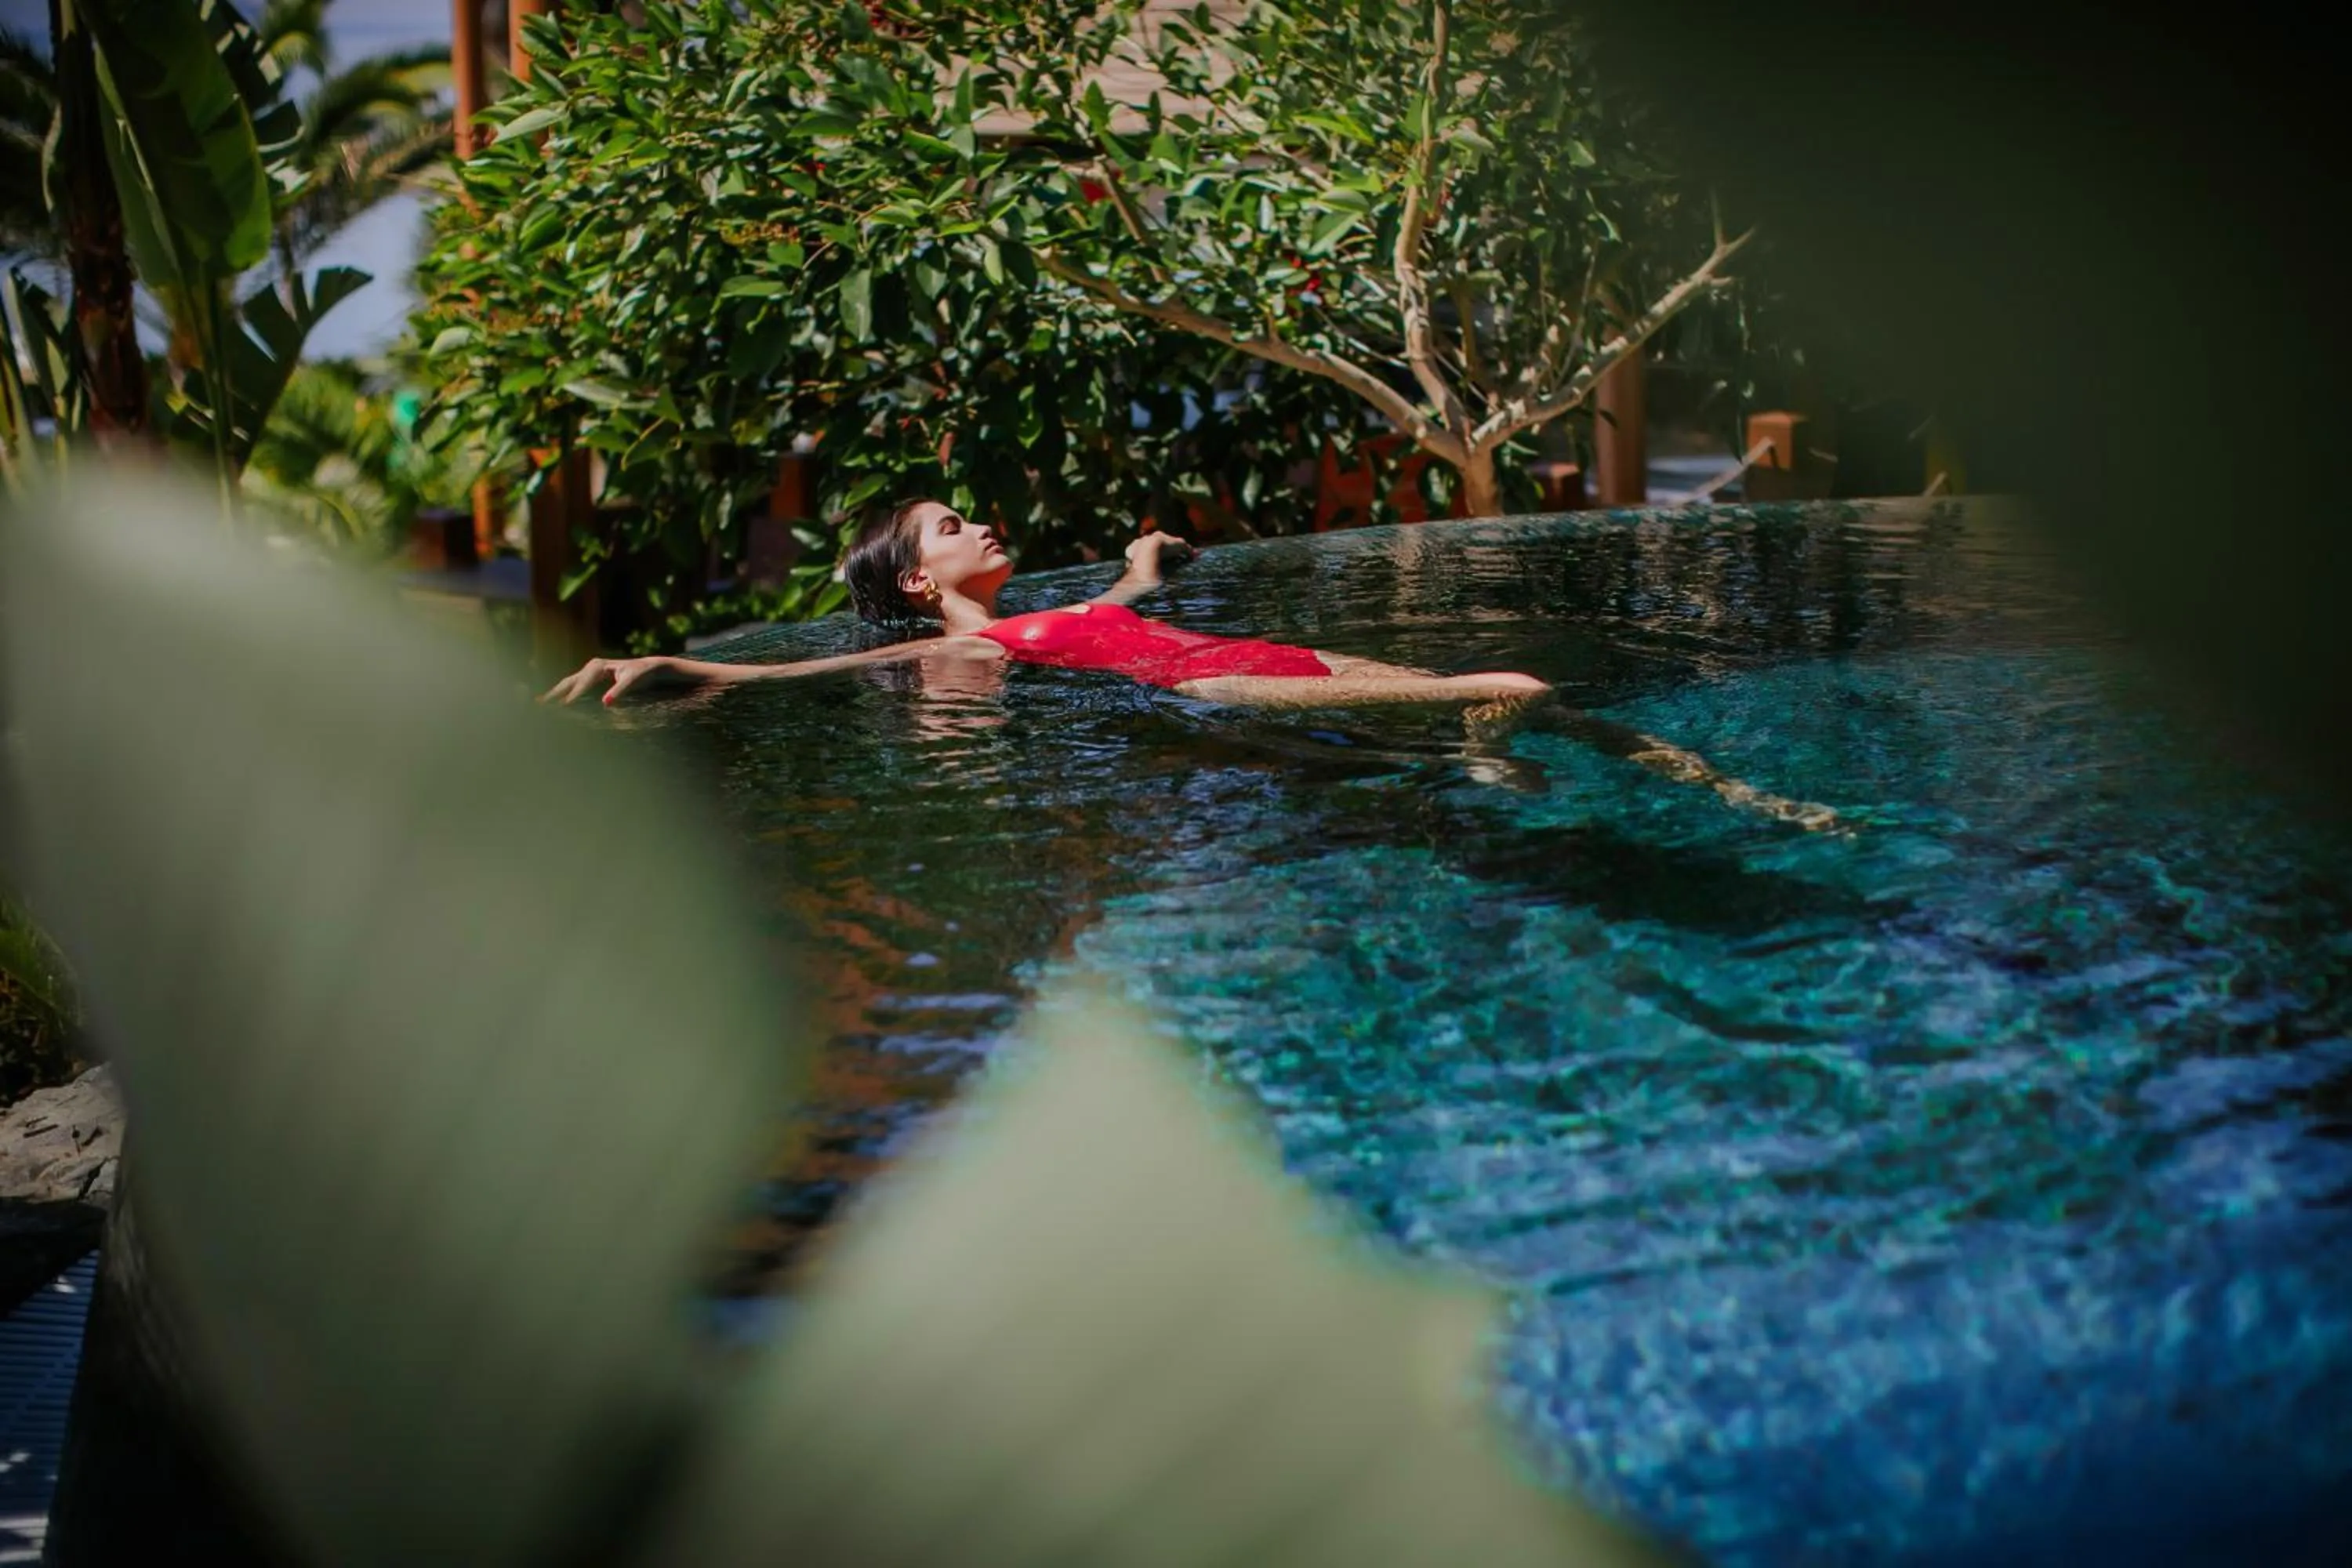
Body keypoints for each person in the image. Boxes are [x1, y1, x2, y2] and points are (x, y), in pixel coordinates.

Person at [543, 499, 1841, 829]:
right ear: (921, 582)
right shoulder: (990, 637)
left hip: (1248, 646)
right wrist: (673, 664)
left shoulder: (1041, 604)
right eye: (951, 526)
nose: (979, 521)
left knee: (1505, 708)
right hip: (1207, 685)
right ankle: (1503, 771)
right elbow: (795, 681)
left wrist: (1144, 558)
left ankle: (1746, 799)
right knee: (1517, 688)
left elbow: (1120, 601)